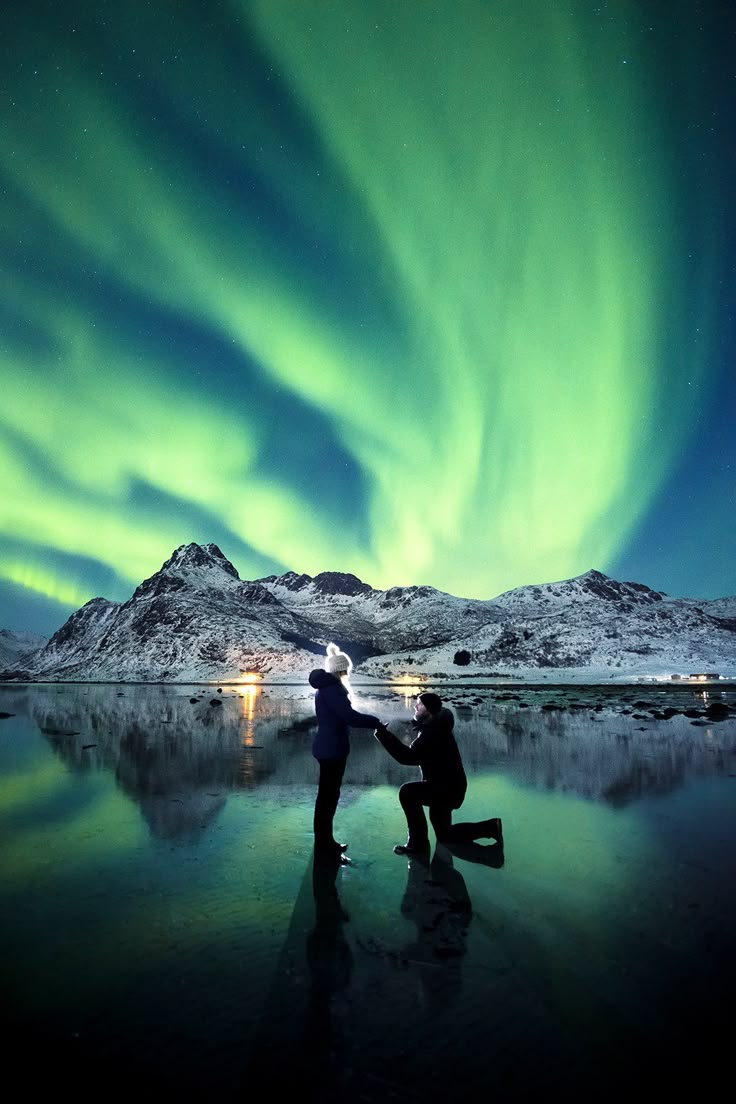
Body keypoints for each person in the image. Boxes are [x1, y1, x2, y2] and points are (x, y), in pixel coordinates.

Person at [374, 691, 503, 855]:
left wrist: (383, 735)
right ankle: (491, 827)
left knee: (408, 792)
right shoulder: (435, 729)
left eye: (419, 704)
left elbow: (407, 757)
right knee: (445, 835)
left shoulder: (433, 733)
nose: (415, 706)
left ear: (428, 710)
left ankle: (417, 844)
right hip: (447, 787)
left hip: (445, 789)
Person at [308, 642, 382, 856]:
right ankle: (325, 844)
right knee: (328, 797)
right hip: (332, 749)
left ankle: (324, 842)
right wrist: (375, 722)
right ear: (341, 670)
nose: (347, 672)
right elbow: (349, 716)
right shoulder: (333, 690)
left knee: (327, 796)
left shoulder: (327, 688)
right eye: (346, 669)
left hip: (327, 745)